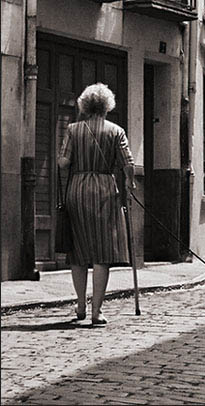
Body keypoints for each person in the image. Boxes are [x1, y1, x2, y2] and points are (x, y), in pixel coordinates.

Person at [58, 83, 135, 325]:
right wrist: (130, 184)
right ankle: (96, 311)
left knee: (78, 252)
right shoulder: (116, 131)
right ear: (107, 105)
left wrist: (71, 159)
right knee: (102, 253)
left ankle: (80, 305)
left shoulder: (73, 129)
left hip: (78, 190)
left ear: (84, 105)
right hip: (104, 190)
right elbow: (128, 164)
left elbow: (62, 163)